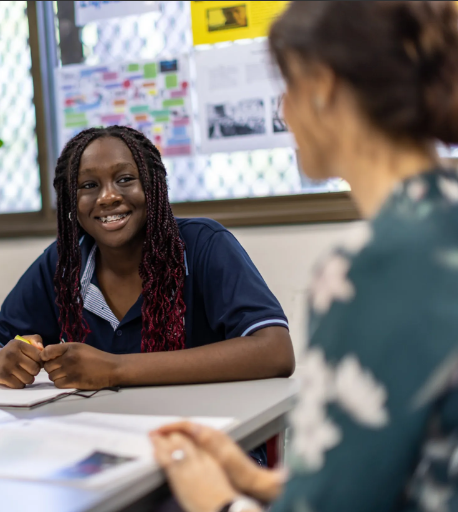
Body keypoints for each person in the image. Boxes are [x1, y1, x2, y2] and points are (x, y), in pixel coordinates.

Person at [150, 2, 458, 511]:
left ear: (324, 86)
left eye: (287, 87)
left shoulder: (369, 269)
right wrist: (268, 483)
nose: (282, 110)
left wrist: (216, 501)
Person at [0, 125, 294, 393]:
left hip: (206, 440)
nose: (108, 196)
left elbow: (275, 350)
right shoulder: (63, 264)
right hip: (106, 442)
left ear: (153, 187)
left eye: (125, 179)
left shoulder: (202, 246)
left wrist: (115, 369)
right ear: (71, 201)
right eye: (89, 185)